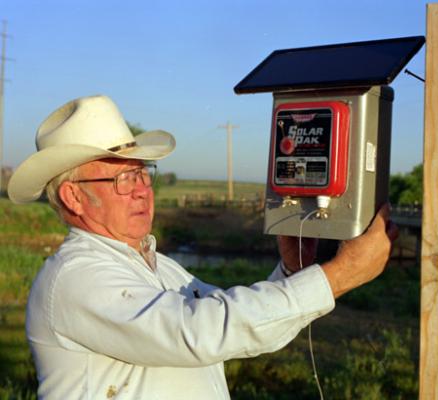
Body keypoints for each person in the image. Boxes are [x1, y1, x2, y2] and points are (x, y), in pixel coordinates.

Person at [8, 95, 398, 399]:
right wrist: (338, 276)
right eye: (123, 179)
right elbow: (201, 332)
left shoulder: (157, 265)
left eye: (143, 174)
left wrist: (295, 271)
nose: (143, 190)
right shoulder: (75, 277)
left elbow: (236, 325)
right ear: (74, 197)